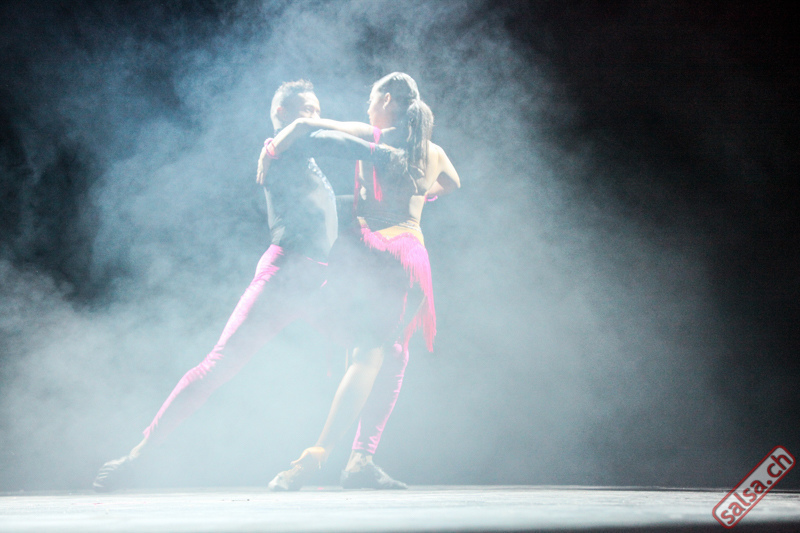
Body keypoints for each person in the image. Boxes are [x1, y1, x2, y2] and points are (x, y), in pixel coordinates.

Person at [92, 80, 387, 491]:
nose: (315, 116)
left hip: (316, 283)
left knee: (379, 349)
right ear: (282, 113)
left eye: (317, 108)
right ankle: (138, 456)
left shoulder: (304, 157)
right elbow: (312, 135)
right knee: (219, 366)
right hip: (285, 277)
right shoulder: (280, 147)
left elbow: (324, 209)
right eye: (306, 109)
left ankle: (357, 459)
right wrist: (385, 149)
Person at [259, 72, 460, 491]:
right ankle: (333, 456)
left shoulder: (373, 136)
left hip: (373, 251)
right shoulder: (433, 151)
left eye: (371, 99)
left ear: (385, 100)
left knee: (386, 354)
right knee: (376, 352)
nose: (367, 107)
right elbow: (453, 183)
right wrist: (422, 195)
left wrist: (271, 149)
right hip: (406, 254)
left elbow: (309, 126)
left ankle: (346, 459)